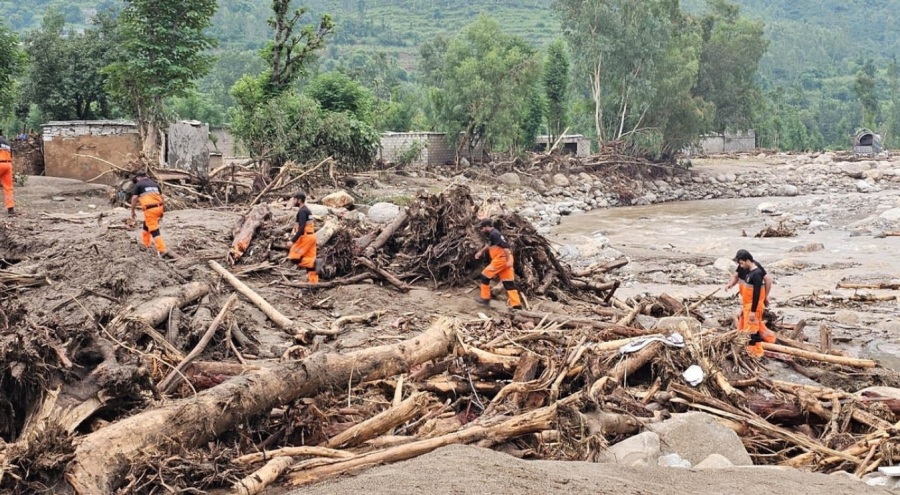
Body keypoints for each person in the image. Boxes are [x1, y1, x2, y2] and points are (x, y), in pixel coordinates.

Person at [730, 249, 775, 357]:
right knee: (745, 326)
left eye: (741, 263)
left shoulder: (757, 273)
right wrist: (730, 284)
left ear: (747, 260)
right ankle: (770, 338)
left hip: (753, 306)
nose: (740, 266)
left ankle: (756, 352)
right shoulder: (748, 271)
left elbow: (756, 294)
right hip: (747, 305)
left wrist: (753, 311)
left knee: (752, 331)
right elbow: (737, 277)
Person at [474, 218, 522, 310]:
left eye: (482, 228)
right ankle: (517, 305)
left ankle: (485, 298)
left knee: (485, 276)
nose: (481, 230)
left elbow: (505, 247)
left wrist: (508, 261)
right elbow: (490, 244)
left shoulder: (495, 234)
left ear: (487, 227)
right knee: (508, 283)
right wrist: (481, 252)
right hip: (503, 260)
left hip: (501, 259)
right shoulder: (493, 234)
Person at [130, 171, 175, 258]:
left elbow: (134, 198)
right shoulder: (155, 184)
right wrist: (162, 211)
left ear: (138, 177)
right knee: (146, 226)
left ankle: (162, 249)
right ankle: (146, 244)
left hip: (150, 209)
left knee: (154, 230)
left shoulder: (138, 185)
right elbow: (162, 197)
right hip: (159, 207)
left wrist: (132, 211)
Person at [287, 192, 320, 283]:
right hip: (312, 237)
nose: (293, 201)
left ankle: (316, 263)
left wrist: (293, 241)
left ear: (299, 200)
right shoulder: (307, 210)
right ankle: (313, 284)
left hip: (305, 238)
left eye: (294, 199)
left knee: (294, 257)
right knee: (310, 262)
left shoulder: (302, 211)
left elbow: (301, 228)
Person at [0, 130, 15, 216]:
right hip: (8, 164)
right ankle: (11, 209)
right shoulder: (7, 142)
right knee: (8, 187)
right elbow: (11, 154)